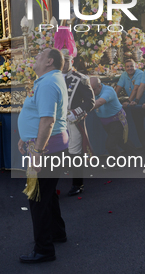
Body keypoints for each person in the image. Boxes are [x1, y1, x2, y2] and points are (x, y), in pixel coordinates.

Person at [18, 48, 68, 264]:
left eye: (39, 56)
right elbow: (39, 115)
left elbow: (48, 120)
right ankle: (57, 233)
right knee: (48, 195)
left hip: (47, 150)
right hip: (50, 147)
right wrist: (25, 137)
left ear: (49, 61)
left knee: (37, 198)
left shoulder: (48, 83)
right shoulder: (49, 80)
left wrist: (37, 151)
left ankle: (44, 250)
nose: (34, 59)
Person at [60, 49, 94, 196]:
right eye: (62, 60)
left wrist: (76, 112)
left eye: (67, 60)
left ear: (71, 61)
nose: (64, 64)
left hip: (72, 121)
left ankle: (77, 184)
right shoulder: (52, 79)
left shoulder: (81, 78)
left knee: (75, 153)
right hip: (56, 122)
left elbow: (90, 102)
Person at [115, 58, 145, 153]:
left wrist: (128, 101)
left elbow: (136, 89)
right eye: (127, 66)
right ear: (125, 68)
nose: (129, 68)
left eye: (131, 66)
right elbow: (118, 88)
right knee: (139, 127)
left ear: (135, 66)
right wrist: (114, 100)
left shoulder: (140, 73)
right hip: (134, 105)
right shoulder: (124, 75)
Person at [90, 77, 133, 158]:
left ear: (99, 86)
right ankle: (136, 155)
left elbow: (99, 102)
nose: (92, 92)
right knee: (121, 141)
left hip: (116, 120)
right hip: (105, 121)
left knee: (110, 144)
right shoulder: (93, 91)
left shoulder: (108, 90)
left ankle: (120, 162)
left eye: (93, 89)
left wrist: (82, 109)